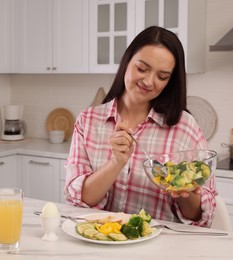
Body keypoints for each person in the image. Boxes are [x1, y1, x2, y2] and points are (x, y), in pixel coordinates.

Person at [64, 26, 216, 227]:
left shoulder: (185, 128)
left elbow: (201, 218)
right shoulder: (88, 120)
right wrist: (116, 162)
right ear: (127, 61)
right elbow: (78, 199)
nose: (148, 81)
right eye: (142, 68)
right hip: (102, 245)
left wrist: (184, 193)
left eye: (162, 77)